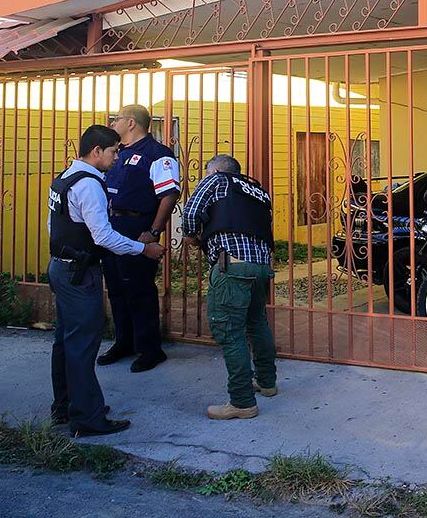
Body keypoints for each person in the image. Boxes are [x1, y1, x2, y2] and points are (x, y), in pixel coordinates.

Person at [48, 125, 164, 436]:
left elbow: (53, 226)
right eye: (113, 151)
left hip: (61, 267)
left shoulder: (65, 178)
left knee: (65, 340)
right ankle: (87, 418)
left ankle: (66, 405)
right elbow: (102, 235)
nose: (116, 157)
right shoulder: (89, 185)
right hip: (79, 273)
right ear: (97, 151)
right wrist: (143, 249)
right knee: (82, 345)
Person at [182, 154, 279, 421]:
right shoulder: (258, 192)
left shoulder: (216, 181)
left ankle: (242, 401)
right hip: (261, 267)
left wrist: (191, 236)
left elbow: (190, 212)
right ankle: (267, 383)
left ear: (215, 171)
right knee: (257, 323)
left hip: (233, 267)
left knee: (230, 331)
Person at [98, 105, 180, 373]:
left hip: (137, 227)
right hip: (112, 227)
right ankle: (124, 342)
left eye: (117, 119)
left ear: (131, 123)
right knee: (116, 288)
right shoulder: (118, 152)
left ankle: (150, 349)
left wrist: (153, 232)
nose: (113, 124)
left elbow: (169, 194)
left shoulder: (157, 154)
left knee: (139, 290)